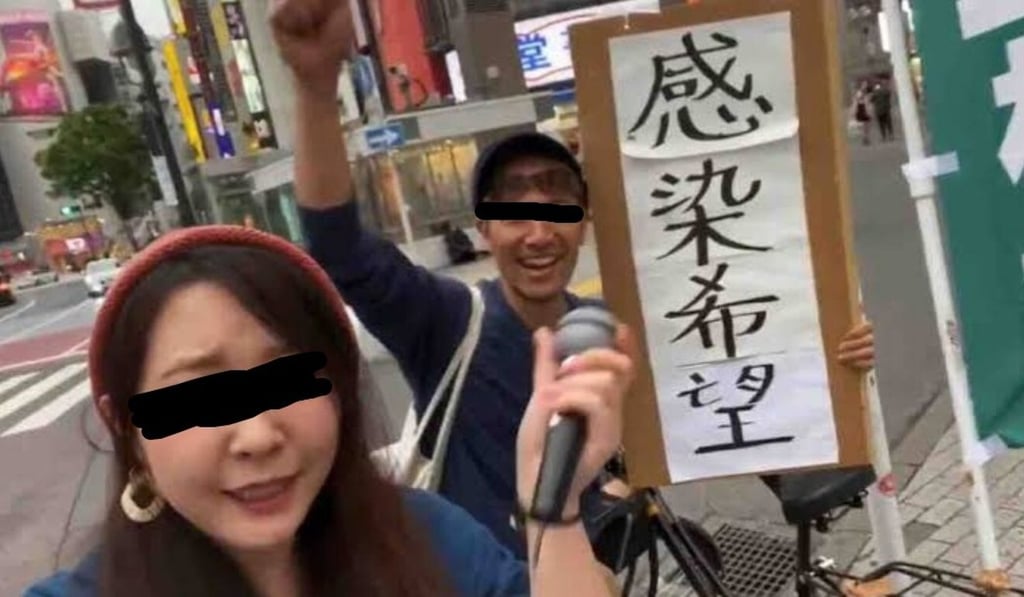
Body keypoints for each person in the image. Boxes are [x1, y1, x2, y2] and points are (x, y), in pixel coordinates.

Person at [271, 0, 878, 562]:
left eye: (559, 208)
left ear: (585, 224)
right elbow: (338, 247)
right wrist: (315, 90)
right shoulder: (445, 319)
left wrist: (832, 356)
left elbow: (734, 396)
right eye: (513, 212)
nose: (538, 233)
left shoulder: (611, 333)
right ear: (485, 229)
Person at [21, 226, 637, 597]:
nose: (259, 435)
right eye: (201, 396)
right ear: (127, 431)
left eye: (291, 379)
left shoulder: (429, 540)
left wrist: (552, 505)